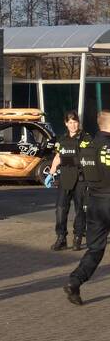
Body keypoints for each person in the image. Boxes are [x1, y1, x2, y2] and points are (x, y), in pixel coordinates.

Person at [65, 109, 110, 305]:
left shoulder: (89, 146)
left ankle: (75, 281)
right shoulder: (108, 147)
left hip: (93, 201)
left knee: (95, 248)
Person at [47, 110, 90, 251]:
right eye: (70, 122)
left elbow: (90, 158)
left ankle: (78, 237)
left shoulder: (86, 138)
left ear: (78, 122)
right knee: (60, 209)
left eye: (75, 122)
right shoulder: (62, 138)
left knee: (80, 210)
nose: (73, 125)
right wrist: (51, 173)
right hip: (65, 177)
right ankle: (61, 238)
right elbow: (58, 157)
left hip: (80, 179)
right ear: (66, 123)